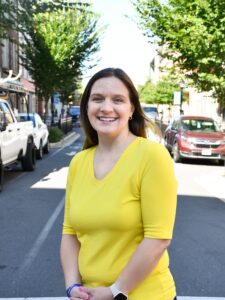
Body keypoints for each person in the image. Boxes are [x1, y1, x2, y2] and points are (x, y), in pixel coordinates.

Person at [60, 68, 177, 300]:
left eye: (118, 100)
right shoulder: (78, 163)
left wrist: (115, 291)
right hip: (90, 296)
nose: (106, 107)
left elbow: (158, 238)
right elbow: (69, 233)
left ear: (131, 109)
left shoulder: (152, 156)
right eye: (97, 99)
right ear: (86, 107)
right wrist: (73, 287)